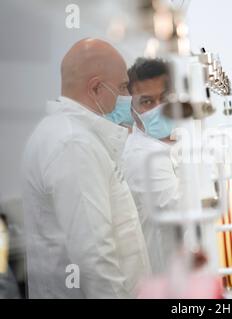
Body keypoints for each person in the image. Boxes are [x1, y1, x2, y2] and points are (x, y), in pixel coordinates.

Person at [21, 38, 151, 298]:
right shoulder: (74, 144)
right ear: (95, 89)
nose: (129, 97)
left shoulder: (70, 134)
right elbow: (95, 258)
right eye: (123, 87)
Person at [122, 58, 179, 274]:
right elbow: (179, 206)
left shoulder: (172, 139)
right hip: (164, 274)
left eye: (164, 99)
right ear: (132, 109)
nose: (159, 108)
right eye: (147, 102)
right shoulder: (141, 155)